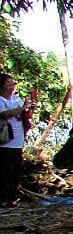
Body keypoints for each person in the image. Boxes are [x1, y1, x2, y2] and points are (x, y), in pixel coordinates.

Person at [0, 73, 31, 207]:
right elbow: (4, 114)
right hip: (5, 141)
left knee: (15, 172)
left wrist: (28, 108)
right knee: (4, 171)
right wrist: (22, 108)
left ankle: (12, 198)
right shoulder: (1, 100)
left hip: (18, 141)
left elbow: (23, 112)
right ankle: (2, 199)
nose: (11, 87)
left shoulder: (15, 99)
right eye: (8, 84)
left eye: (12, 84)